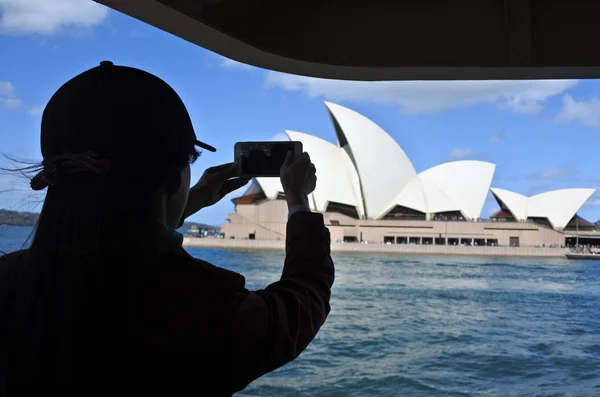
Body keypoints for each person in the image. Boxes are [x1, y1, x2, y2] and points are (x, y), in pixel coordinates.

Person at [0, 61, 334, 396]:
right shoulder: (201, 304)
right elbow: (302, 300)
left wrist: (196, 198)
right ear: (175, 177)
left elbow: (115, 232)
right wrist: (298, 202)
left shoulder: (10, 279)